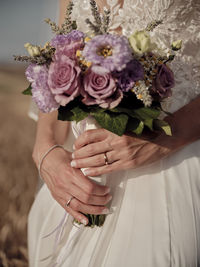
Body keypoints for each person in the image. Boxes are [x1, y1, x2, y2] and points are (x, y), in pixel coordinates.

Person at [28, 0, 200, 266]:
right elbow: (56, 68)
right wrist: (45, 151)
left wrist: (165, 138)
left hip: (179, 166)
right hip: (78, 180)